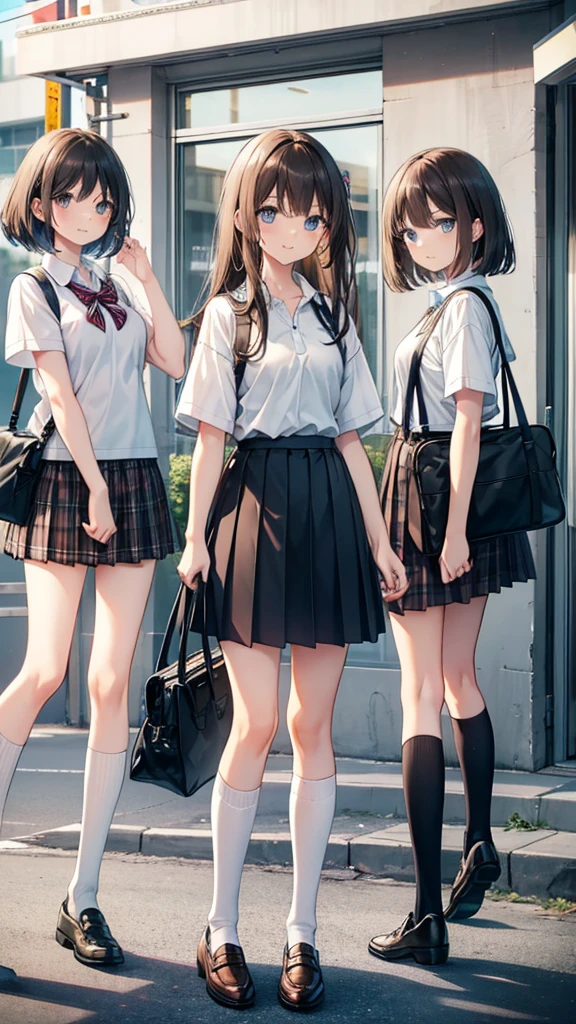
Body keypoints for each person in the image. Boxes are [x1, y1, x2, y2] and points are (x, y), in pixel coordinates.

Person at [175, 128, 408, 1012]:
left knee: (314, 727)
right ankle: (220, 928)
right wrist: (194, 539)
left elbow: (352, 440)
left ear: (327, 224)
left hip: (328, 516)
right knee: (258, 723)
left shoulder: (337, 316)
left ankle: (302, 932)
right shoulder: (229, 317)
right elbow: (210, 439)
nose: (292, 226)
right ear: (247, 214)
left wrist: (381, 544)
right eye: (274, 209)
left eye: (311, 214)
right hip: (252, 509)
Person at [0, 128, 185, 971]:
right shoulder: (33, 286)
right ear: (42, 203)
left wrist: (147, 279)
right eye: (73, 196)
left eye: (102, 199)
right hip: (69, 479)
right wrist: (94, 487)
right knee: (45, 671)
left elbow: (172, 361)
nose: (89, 210)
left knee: (113, 683)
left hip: (134, 474)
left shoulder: (116, 283)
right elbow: (58, 391)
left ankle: (83, 895)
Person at [368, 148, 536, 967]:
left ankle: (426, 911)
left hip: (433, 499)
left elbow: (469, 419)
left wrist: (455, 531)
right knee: (457, 680)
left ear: (473, 224)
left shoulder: (464, 307)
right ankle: (478, 845)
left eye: (436, 221)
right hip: (446, 501)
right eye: (410, 226)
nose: (420, 236)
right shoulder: (460, 303)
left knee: (420, 695)